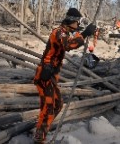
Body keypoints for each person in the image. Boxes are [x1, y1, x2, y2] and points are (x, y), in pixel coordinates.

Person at [33, 8, 96, 143]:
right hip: (45, 75)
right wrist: (84, 34)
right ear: (72, 21)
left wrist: (85, 34)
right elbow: (69, 45)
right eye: (77, 22)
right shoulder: (59, 32)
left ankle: (43, 128)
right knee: (48, 106)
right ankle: (39, 137)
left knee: (58, 105)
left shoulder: (65, 32)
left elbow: (71, 40)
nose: (78, 25)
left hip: (51, 76)